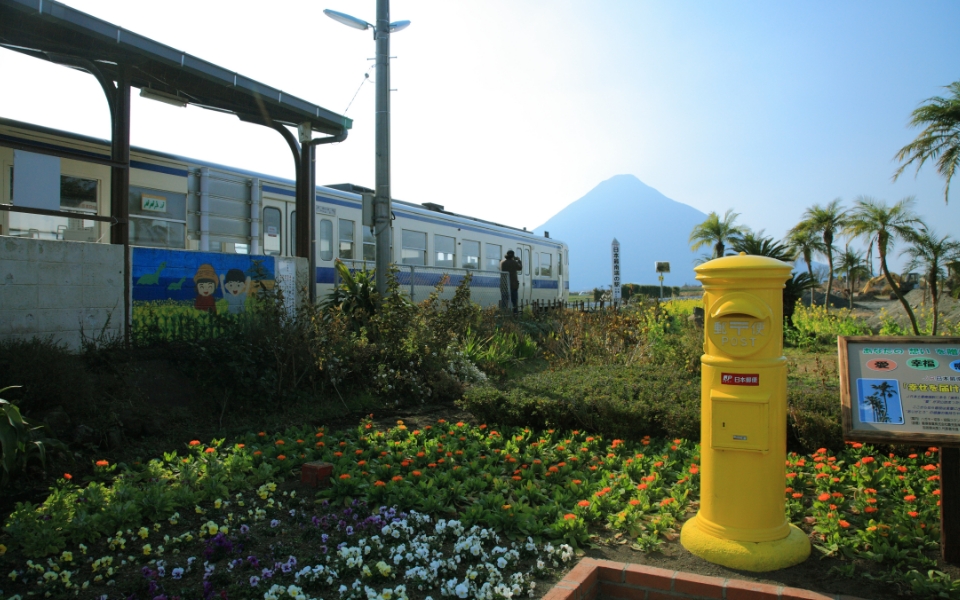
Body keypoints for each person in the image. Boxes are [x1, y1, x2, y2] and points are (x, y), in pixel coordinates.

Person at [499, 250, 522, 314]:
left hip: (504, 285)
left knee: (504, 302)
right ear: (513, 256)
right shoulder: (514, 262)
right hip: (513, 286)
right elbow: (520, 268)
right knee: (514, 303)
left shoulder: (502, 262)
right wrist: (519, 260)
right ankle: (515, 315)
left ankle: (504, 315)